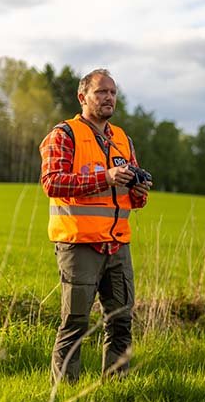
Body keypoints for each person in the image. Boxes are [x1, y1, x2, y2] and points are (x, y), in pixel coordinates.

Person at [39, 68, 152, 383]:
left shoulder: (122, 139)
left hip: (117, 245)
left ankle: (116, 388)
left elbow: (133, 199)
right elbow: (52, 183)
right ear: (82, 97)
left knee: (121, 322)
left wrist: (139, 189)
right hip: (79, 245)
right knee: (75, 324)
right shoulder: (64, 134)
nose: (109, 98)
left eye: (113, 92)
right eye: (101, 92)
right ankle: (64, 392)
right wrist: (106, 177)